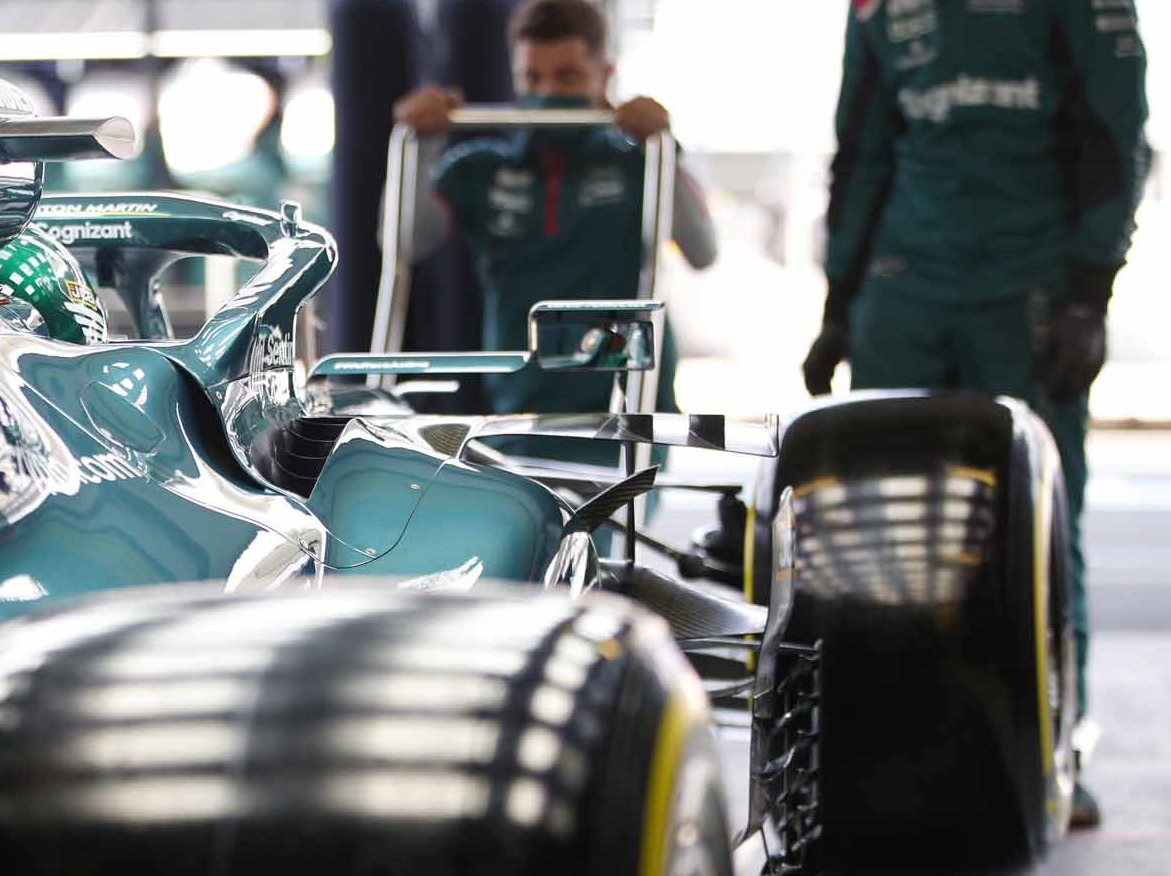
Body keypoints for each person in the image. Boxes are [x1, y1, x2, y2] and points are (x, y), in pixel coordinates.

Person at [804, 0, 1149, 827]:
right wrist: (840, 303)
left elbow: (1115, 133)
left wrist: (1088, 293)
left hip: (1027, 286)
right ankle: (877, 758)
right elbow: (862, 149)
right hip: (904, 286)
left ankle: (1053, 752)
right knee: (866, 529)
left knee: (1039, 527)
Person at [392, 0, 718, 468]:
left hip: (627, 417)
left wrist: (664, 145)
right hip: (516, 420)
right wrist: (424, 144)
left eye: (567, 78)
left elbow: (703, 251)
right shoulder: (481, 170)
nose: (547, 93)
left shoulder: (636, 164)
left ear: (603, 76)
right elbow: (405, 243)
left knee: (612, 540)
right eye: (532, 79)